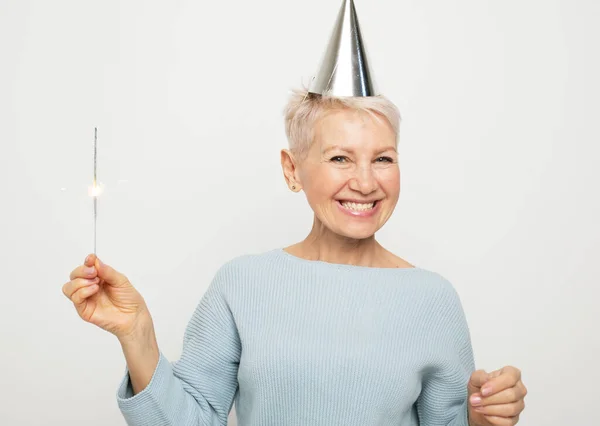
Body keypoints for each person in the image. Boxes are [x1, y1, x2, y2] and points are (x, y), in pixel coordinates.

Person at [62, 1, 527, 425]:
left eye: (383, 158)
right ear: (292, 169)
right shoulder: (241, 284)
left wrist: (481, 419)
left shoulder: (433, 300)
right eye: (340, 158)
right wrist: (136, 332)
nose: (365, 182)